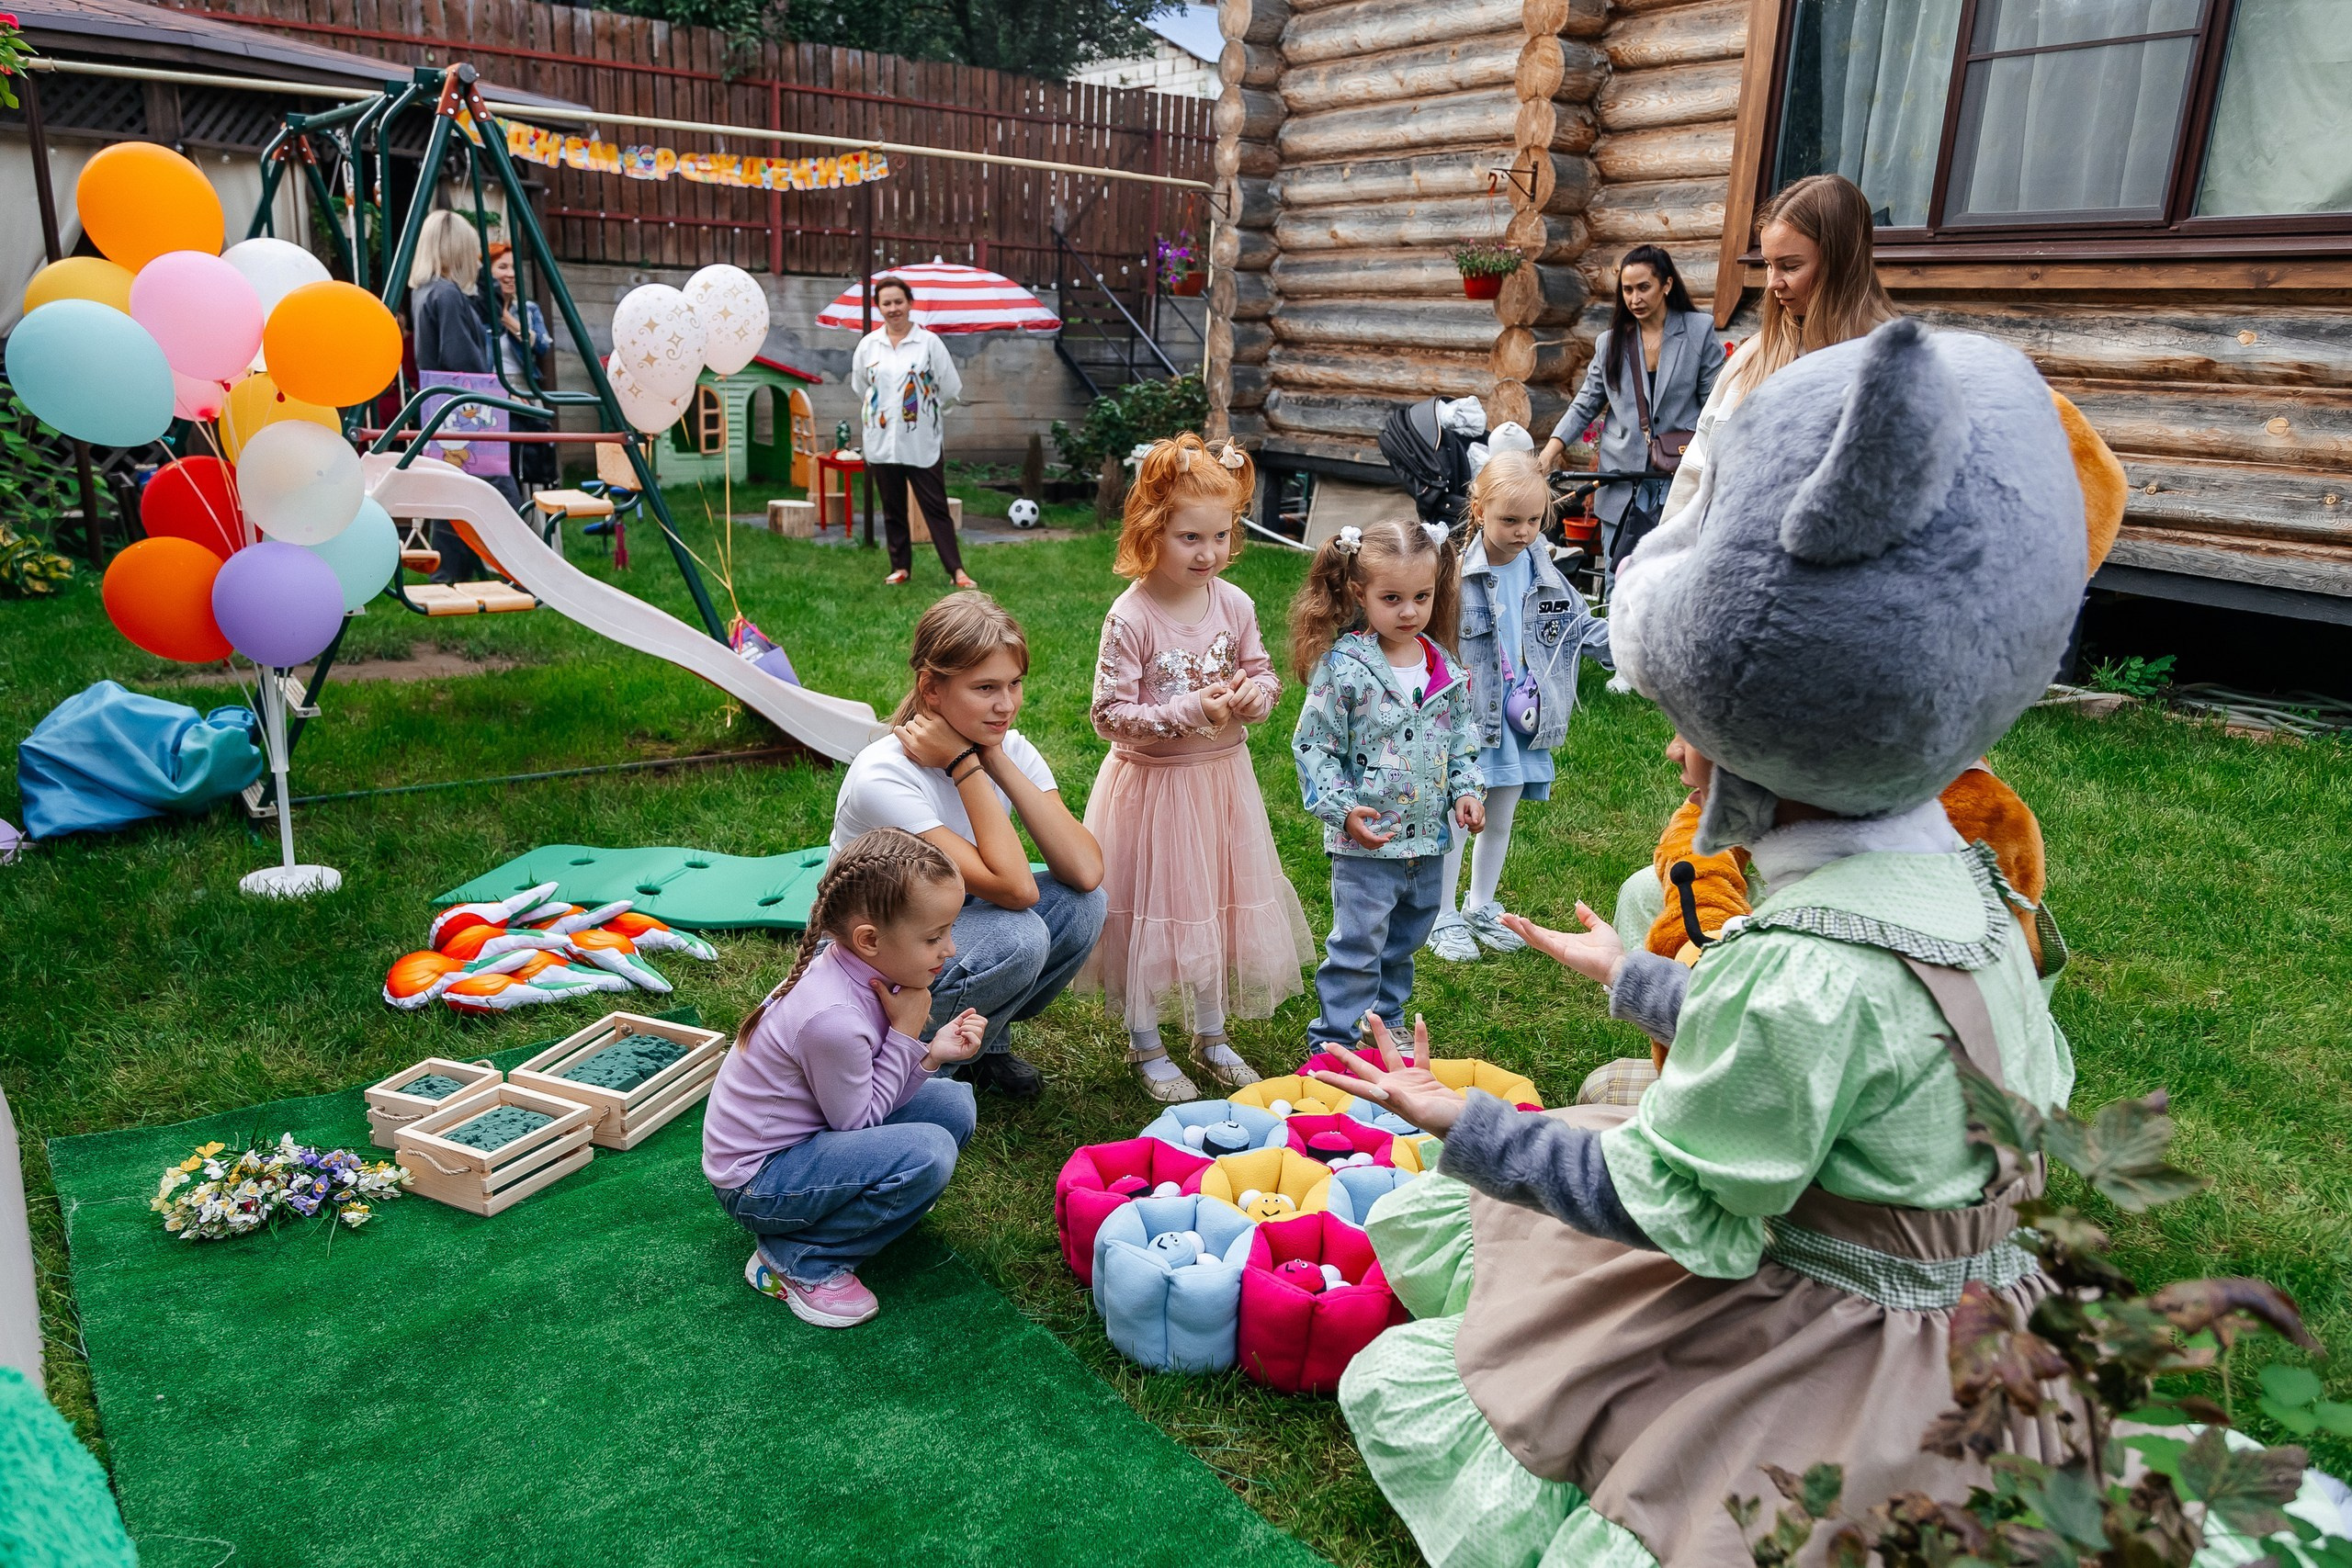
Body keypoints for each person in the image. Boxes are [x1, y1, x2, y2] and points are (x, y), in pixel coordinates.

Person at [1313, 317, 2102, 1567]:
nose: (1677, 752)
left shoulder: (1810, 967)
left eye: (1692, 723)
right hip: (1978, 1290)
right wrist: (1635, 979)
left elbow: (1676, 1196)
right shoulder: (1961, 882)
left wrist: (1453, 1117)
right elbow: (1865, 1060)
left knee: (1510, 1373)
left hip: (1849, 1330)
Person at [1078, 434, 1315, 1103]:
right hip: (1155, 790)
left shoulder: (1232, 604)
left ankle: (1211, 1033)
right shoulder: (1132, 616)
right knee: (1155, 912)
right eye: (1190, 537)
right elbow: (1107, 714)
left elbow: (1265, 675)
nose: (1209, 552)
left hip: (1220, 784)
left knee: (1215, 905)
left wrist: (1252, 698)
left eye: (1222, 535)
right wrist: (1187, 710)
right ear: (1151, 530)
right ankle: (1145, 1038)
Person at [704, 829, 988, 1328]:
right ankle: (800, 1261)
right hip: (758, 1183)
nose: (950, 948)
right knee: (929, 1151)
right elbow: (858, 1123)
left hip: (811, 1140)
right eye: (933, 937)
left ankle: (842, 1220)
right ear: (870, 940)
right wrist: (905, 1032)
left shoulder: (862, 972)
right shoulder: (832, 1017)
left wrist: (929, 1054)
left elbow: (862, 1096)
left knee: (953, 1106)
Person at [831, 592, 1105, 1100]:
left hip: (944, 919)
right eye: (985, 688)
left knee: (1083, 906)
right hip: (871, 955)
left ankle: (982, 1044)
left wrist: (994, 759)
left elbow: (1086, 870)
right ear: (932, 690)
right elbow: (1015, 889)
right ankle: (910, 1072)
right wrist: (965, 766)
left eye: (1014, 684)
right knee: (1019, 936)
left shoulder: (1004, 744)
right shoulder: (884, 775)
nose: (1006, 705)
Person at [1289, 518, 1484, 1055]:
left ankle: (1385, 1024)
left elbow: (1463, 741)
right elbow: (1313, 746)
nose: (1408, 611)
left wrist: (1467, 791)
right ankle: (1335, 1040)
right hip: (1366, 843)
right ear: (1360, 594)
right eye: (1392, 597)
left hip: (1427, 842)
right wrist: (1344, 809)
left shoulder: (1443, 668)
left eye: (1421, 597)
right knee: (1358, 943)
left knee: (1405, 940)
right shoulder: (1346, 670)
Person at [1424, 452, 1614, 964]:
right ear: (1479, 510)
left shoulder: (1547, 575)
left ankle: (1480, 904)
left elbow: (1578, 628)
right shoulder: (1455, 574)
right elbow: (1431, 644)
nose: (1525, 531)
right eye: (1510, 520)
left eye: (1534, 520)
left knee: (1501, 816)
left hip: (1520, 720)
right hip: (1468, 722)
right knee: (1459, 818)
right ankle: (1441, 914)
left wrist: (1633, 646)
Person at [1657, 173, 1895, 532]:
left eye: (1790, 266)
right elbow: (1695, 474)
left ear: (1842, 263)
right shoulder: (1752, 357)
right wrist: (1663, 564)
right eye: (1768, 264)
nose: (1772, 283)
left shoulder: (1893, 367)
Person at [1538, 245, 1723, 583]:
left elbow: (1715, 403)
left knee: (1674, 577)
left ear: (1666, 285)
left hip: (1678, 476)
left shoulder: (1698, 331)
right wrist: (1552, 450)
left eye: (1643, 287)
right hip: (1621, 480)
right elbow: (1586, 403)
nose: (1634, 298)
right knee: (1617, 581)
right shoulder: (1610, 343)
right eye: (1627, 290)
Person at [407, 210, 524, 583]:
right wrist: (498, 392)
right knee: (501, 495)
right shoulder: (447, 295)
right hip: (464, 410)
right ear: (458, 251)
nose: (477, 262)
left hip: (439, 408)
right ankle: (523, 571)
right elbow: (463, 363)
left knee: (454, 492)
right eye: (473, 253)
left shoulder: (425, 292)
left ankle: (450, 573)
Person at [850, 276, 976, 591]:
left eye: (898, 301)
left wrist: (930, 415)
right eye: (886, 303)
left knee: (935, 508)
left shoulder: (929, 343)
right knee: (892, 507)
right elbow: (861, 387)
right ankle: (900, 566)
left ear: (909, 303)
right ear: (878, 307)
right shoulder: (868, 345)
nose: (893, 309)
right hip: (882, 441)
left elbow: (949, 387)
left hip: (921, 441)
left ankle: (957, 570)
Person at [488, 242, 557, 491]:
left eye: (514, 267)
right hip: (493, 393)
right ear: (488, 272)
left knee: (531, 461)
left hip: (525, 391)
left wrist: (505, 317)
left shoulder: (527, 309)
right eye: (502, 267)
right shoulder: (478, 310)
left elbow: (542, 346)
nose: (510, 274)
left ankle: (534, 524)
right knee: (500, 465)